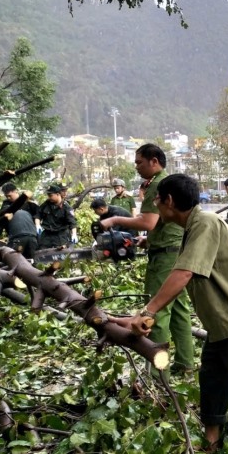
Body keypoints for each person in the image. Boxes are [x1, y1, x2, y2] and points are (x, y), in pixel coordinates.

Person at [113, 174, 228, 454]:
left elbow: (184, 273)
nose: (153, 207)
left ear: (169, 201)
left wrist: (148, 312)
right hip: (219, 325)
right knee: (211, 383)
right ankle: (210, 445)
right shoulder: (189, 226)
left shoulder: (206, 224)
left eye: (156, 201)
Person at [99, 143, 195, 374]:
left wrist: (114, 221)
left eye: (139, 162)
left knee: (157, 312)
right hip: (176, 251)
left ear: (154, 161)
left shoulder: (158, 185)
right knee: (179, 311)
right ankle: (185, 364)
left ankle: (157, 374)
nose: (137, 167)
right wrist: (148, 240)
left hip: (164, 259)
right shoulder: (166, 181)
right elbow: (160, 224)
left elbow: (148, 222)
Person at [0, 183, 39, 258]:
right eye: (6, 196)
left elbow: (38, 215)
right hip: (16, 236)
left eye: (10, 196)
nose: (8, 198)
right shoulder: (6, 206)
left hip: (31, 235)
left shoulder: (29, 203)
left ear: (16, 191)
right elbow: (1, 222)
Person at [35, 183, 78, 249]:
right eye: (48, 195)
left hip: (60, 235)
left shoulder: (66, 207)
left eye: (50, 195)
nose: (49, 197)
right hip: (47, 234)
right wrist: (37, 225)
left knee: (60, 255)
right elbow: (38, 214)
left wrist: (74, 234)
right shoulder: (47, 203)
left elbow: (72, 223)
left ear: (58, 194)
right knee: (42, 253)